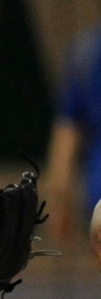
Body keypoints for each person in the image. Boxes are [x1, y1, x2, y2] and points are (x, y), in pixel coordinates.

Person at [45, 26, 101, 250]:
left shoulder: (87, 52)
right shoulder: (87, 53)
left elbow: (67, 132)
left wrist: (59, 200)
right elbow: (68, 130)